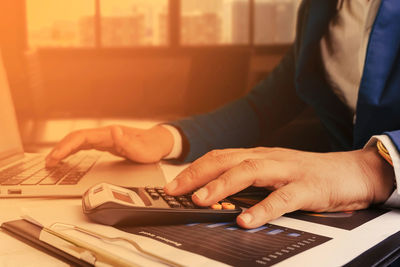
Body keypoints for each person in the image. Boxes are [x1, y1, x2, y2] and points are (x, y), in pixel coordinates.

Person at [45, 0, 400, 229]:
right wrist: (168, 137)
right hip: (350, 217)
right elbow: (268, 103)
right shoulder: (318, 8)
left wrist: (374, 168)